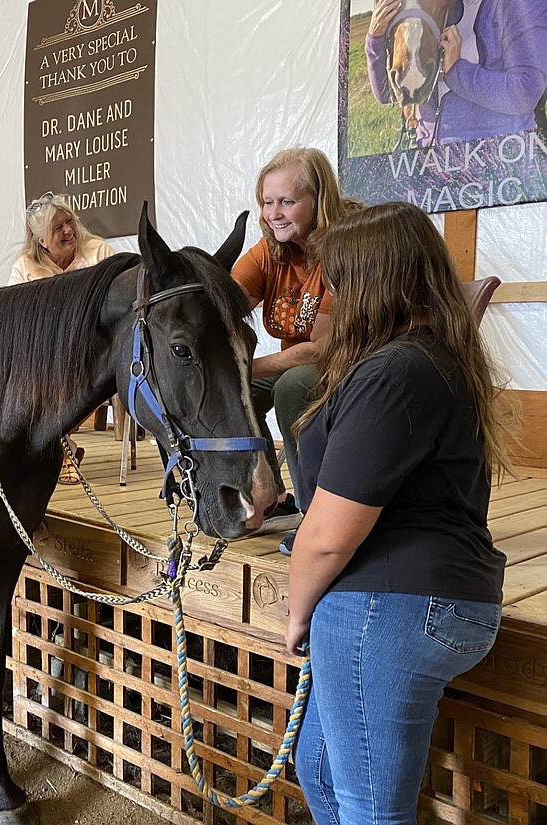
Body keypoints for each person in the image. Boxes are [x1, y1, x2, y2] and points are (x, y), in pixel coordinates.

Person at [285, 201, 511, 824]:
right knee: (323, 772)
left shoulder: (395, 372)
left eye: (340, 282)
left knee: (369, 809)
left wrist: (297, 611)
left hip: (389, 607)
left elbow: (329, 537)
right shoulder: (432, 358)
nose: (331, 300)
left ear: (372, 283)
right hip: (430, 600)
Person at [231, 148, 363, 544]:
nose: (274, 213)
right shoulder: (270, 248)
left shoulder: (345, 248)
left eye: (287, 201)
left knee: (293, 386)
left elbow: (321, 349)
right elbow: (224, 301)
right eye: (267, 202)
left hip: (352, 364)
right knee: (235, 393)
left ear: (318, 200)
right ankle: (267, 496)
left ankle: (315, 514)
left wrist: (244, 367)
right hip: (295, 364)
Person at [10, 192, 117, 483]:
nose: (68, 230)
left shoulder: (99, 253)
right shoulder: (25, 267)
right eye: (57, 228)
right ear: (40, 239)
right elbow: (15, 320)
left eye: (69, 221)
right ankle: (59, 447)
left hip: (94, 349)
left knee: (74, 376)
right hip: (43, 354)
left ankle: (57, 449)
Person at [366, 0, 547, 146]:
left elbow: (525, 93)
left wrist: (457, 71)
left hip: (495, 165)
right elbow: (388, 94)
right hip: (431, 165)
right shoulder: (442, 7)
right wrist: (375, 39)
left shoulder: (522, 5)